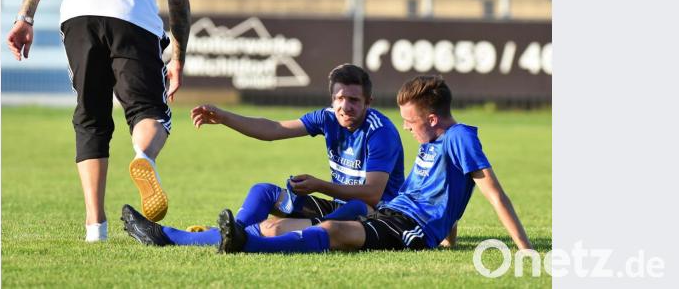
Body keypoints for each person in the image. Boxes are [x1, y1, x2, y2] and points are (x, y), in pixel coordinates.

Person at [6, 0, 191, 242]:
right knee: (148, 111)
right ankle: (143, 158)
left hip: (78, 18)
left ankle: (96, 227)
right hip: (134, 21)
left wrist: (25, 16)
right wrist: (179, 55)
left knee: (90, 117)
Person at [214, 75, 533, 254]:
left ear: (432, 119)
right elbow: (442, 192)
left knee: (333, 231)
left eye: (411, 121)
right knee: (278, 225)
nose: (406, 127)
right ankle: (218, 235)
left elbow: (494, 195)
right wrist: (450, 238)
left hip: (410, 229)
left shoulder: (460, 137)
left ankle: (246, 245)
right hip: (391, 212)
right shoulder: (432, 142)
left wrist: (524, 248)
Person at [120, 64, 406, 247]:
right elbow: (273, 129)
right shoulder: (327, 117)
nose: (345, 107)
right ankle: (234, 234)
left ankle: (170, 236)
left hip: (374, 215)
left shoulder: (380, 132)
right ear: (332, 99)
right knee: (264, 192)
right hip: (341, 206)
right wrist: (224, 117)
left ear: (368, 101)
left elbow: (371, 195)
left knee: (279, 227)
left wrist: (319, 185)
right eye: (339, 99)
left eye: (354, 100)